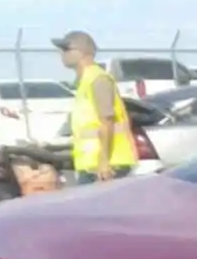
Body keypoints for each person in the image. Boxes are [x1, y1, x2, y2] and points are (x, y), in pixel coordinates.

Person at [52, 30, 137, 184]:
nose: (62, 54)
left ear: (82, 52)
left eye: (66, 49)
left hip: (108, 165)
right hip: (92, 165)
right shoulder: (85, 82)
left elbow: (107, 120)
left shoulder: (98, 79)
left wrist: (103, 161)